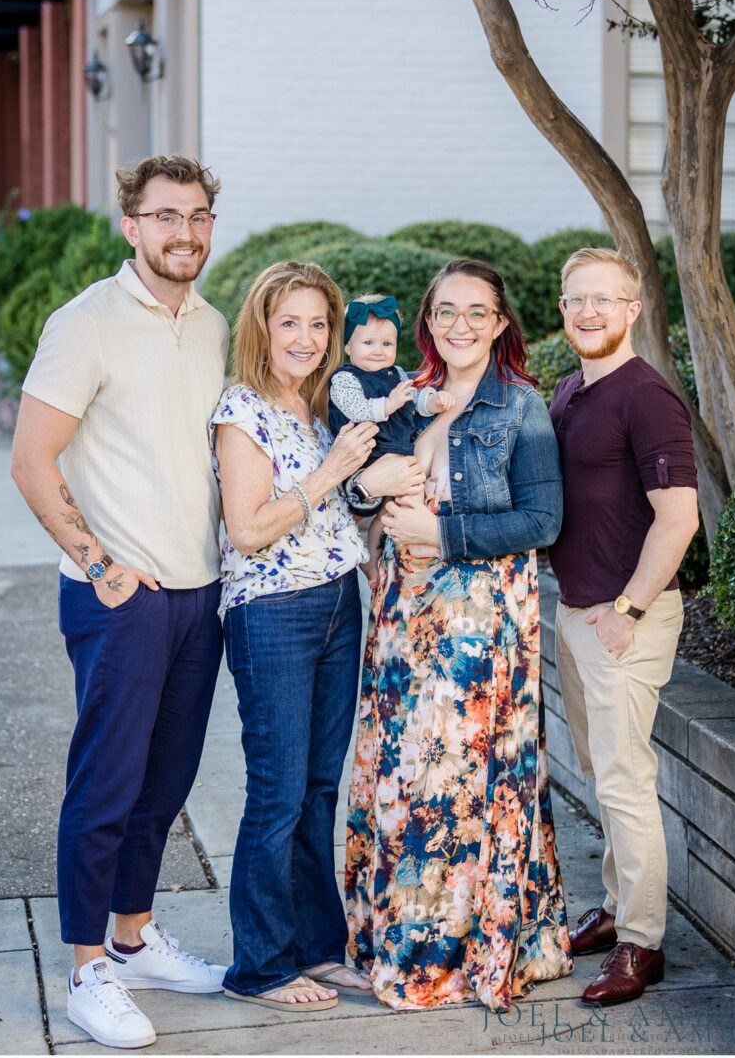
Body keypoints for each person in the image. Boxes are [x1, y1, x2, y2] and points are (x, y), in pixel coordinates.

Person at [11, 155, 231, 1050]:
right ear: (131, 225)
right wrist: (99, 561)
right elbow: (33, 459)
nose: (186, 232)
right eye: (166, 216)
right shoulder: (86, 323)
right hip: (122, 595)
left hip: (199, 591)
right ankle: (85, 969)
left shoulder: (215, 322)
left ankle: (134, 941)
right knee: (105, 784)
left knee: (167, 779)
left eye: (199, 216)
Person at [345, 257, 574, 1011]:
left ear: (502, 323)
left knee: (453, 785)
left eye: (478, 312)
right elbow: (362, 483)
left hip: (475, 625)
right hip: (403, 615)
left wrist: (443, 533)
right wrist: (374, 509)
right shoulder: (408, 398)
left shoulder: (520, 408)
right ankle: (394, 936)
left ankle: (448, 955)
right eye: (446, 311)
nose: (461, 325)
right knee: (402, 779)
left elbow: (542, 521)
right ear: (428, 322)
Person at [210, 261, 425, 1012]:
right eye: (289, 322)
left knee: (318, 788)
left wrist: (365, 539)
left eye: (318, 324)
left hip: (336, 605)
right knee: (276, 791)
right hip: (274, 612)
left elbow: (337, 511)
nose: (306, 338)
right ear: (262, 330)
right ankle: (259, 966)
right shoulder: (243, 411)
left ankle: (315, 947)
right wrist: (331, 473)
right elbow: (248, 529)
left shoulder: (311, 408)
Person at [547, 247, 698, 1007]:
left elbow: (679, 517)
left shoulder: (648, 397)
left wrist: (630, 609)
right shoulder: (573, 389)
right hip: (578, 611)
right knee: (604, 774)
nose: (590, 312)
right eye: (577, 300)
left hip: (623, 620)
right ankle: (614, 909)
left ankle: (642, 944)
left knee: (627, 781)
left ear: (632, 309)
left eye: (605, 299)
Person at [328, 294, 455, 581]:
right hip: (367, 456)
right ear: (348, 346)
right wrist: (389, 404)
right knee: (407, 495)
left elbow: (415, 399)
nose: (378, 350)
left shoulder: (396, 374)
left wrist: (433, 401)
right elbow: (356, 409)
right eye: (368, 343)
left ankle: (372, 554)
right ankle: (414, 542)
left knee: (391, 510)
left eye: (387, 344)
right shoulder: (345, 379)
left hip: (398, 451)